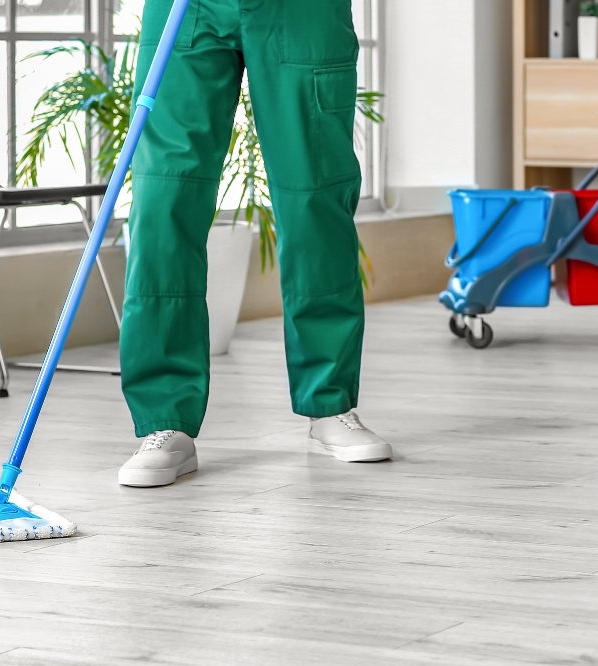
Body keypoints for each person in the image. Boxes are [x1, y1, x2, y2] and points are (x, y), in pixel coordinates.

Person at [117, 0, 392, 488]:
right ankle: (165, 418)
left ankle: (330, 405)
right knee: (163, 200)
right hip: (188, 9)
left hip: (301, 12)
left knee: (315, 199)